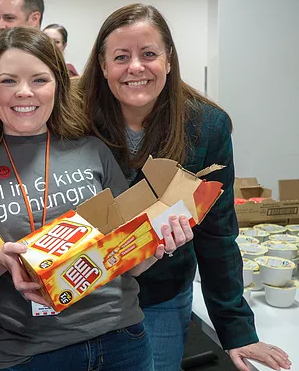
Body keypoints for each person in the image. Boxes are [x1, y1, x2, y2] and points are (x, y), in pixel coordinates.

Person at [0, 26, 192, 371]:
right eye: (9, 81)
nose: (25, 92)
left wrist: (159, 244)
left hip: (120, 340)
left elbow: (130, 264)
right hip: (27, 353)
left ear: (58, 86)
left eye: (40, 80)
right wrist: (0, 258)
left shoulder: (91, 150)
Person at [78, 4, 291, 371]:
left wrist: (237, 330)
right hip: (86, 295)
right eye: (121, 57)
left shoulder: (205, 127)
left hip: (162, 294)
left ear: (169, 60)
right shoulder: (75, 119)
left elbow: (218, 233)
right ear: (102, 65)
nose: (135, 68)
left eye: (148, 54)